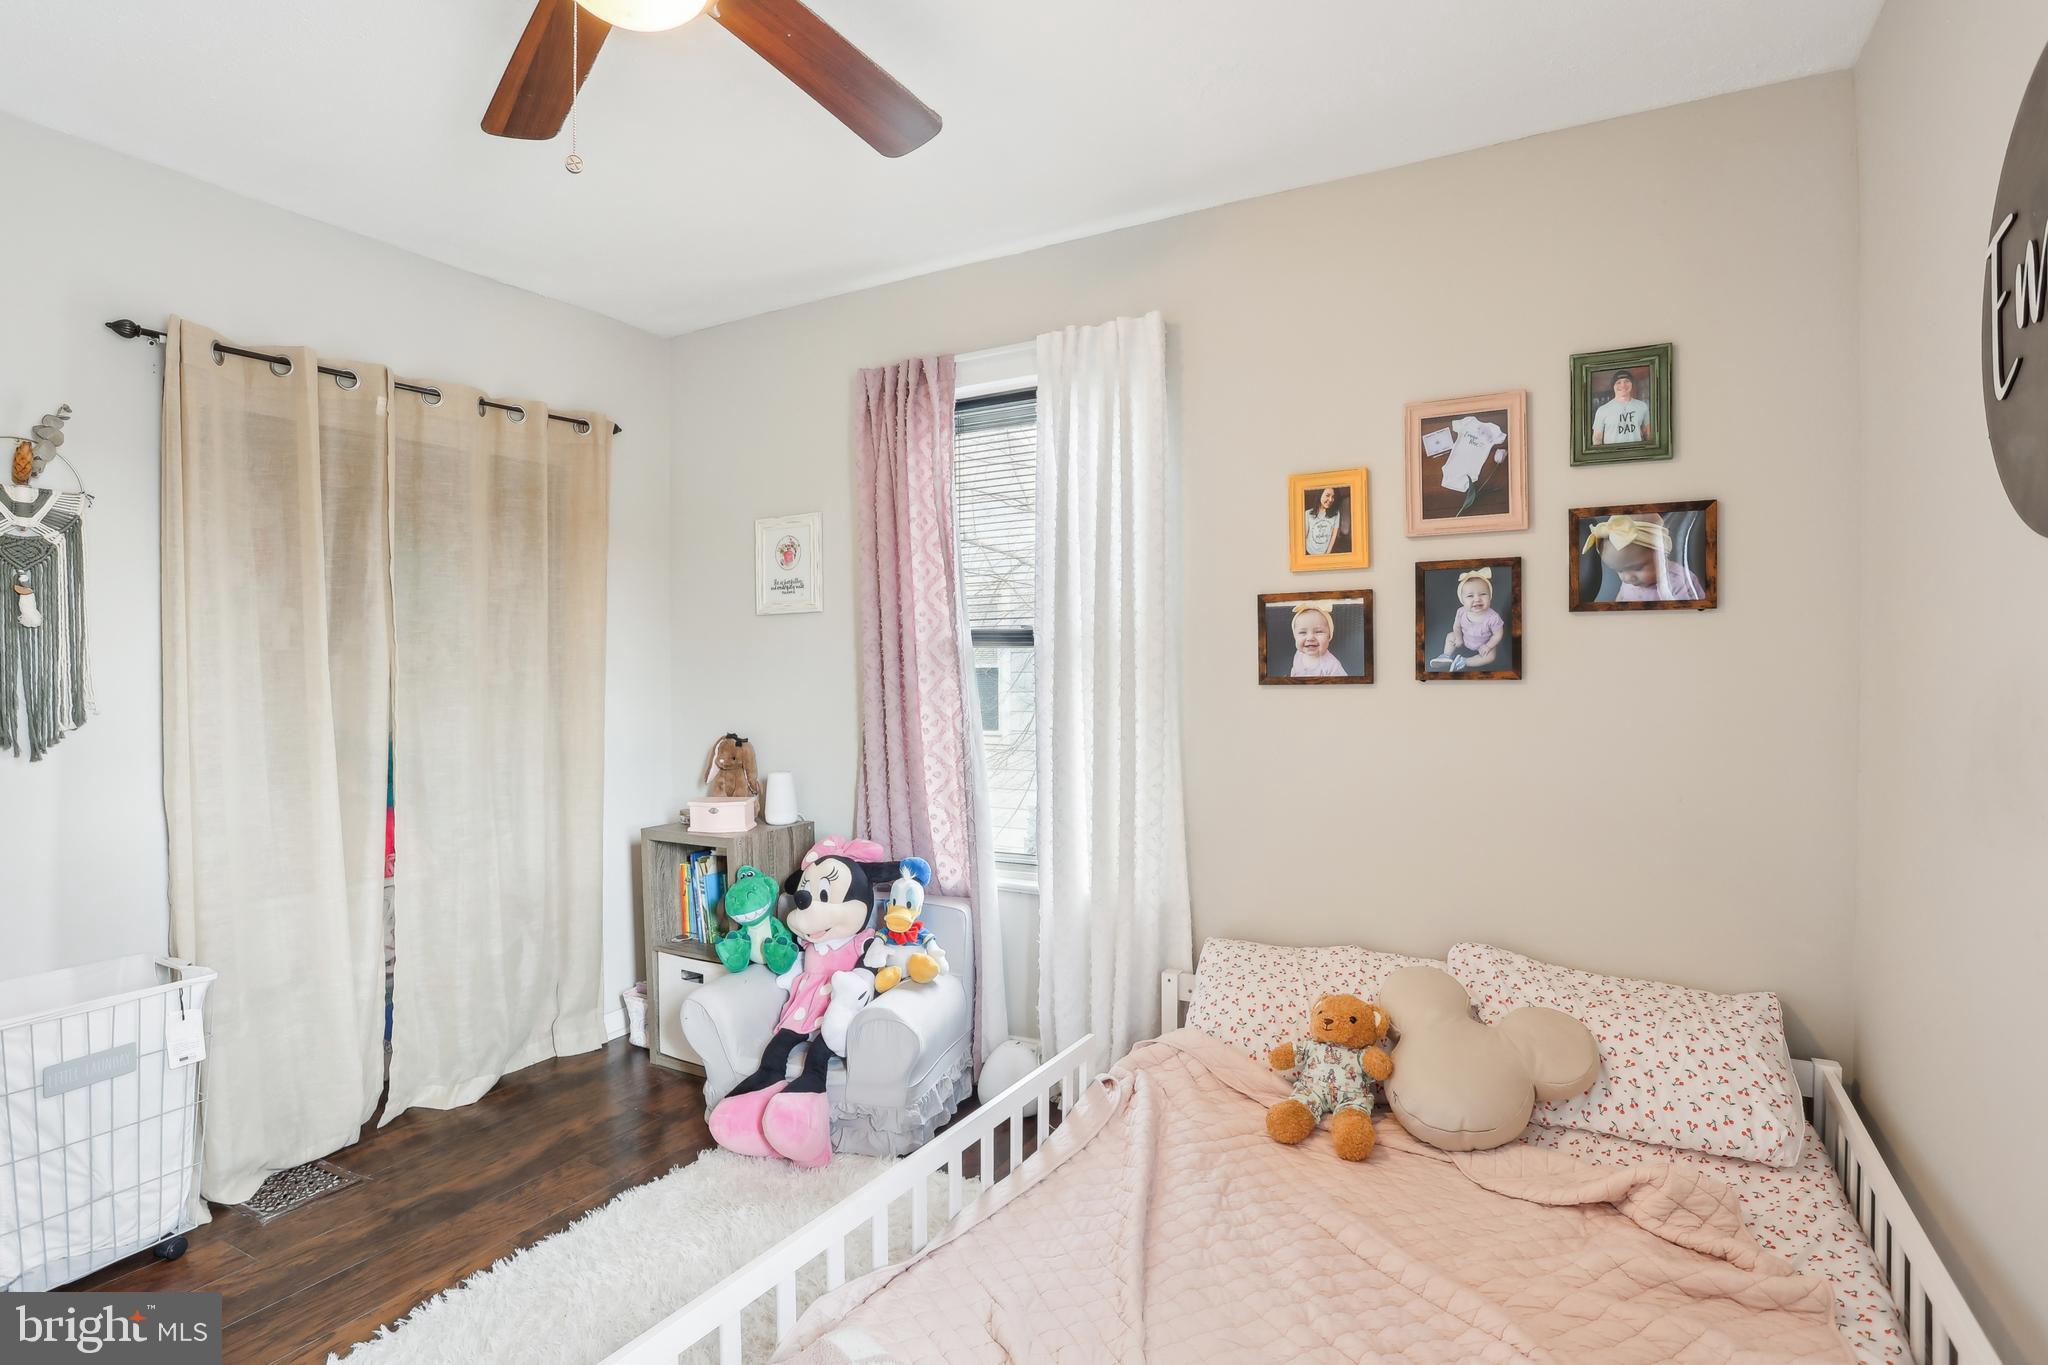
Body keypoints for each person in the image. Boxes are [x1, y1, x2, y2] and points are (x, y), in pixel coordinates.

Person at [1582, 513, 1703, 601]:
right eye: (1619, 570)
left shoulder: (1680, 581)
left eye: (1638, 568)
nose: (1627, 578)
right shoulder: (1630, 582)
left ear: (1661, 554)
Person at [1428, 568, 1505, 671]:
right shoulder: (1461, 611)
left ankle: (1464, 661)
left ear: (1490, 596)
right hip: (1465, 638)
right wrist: (1459, 638)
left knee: (1491, 657)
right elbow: (1457, 626)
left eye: (1483, 594)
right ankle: (1445, 656)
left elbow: (1498, 634)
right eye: (1470, 596)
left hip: (1483, 643)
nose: (1477, 599)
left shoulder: (1493, 617)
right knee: (1450, 636)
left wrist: (1487, 646)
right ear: (1462, 600)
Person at [1590, 369, 1652, 445]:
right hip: (1612, 455)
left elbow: (1648, 433)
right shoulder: (1602, 410)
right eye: (1618, 382)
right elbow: (1597, 438)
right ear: (1613, 386)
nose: (1623, 385)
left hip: (1637, 453)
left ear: (1631, 384)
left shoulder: (1642, 406)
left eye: (1627, 381)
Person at [1289, 602, 1348, 677]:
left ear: (1329, 636)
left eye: (1318, 631)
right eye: (1302, 632)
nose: (1310, 638)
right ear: (1295, 636)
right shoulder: (1298, 654)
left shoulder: (1332, 666)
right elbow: (1295, 671)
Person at [1303, 486, 1344, 556]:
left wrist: (1327, 554)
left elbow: (1333, 536)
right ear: (1320, 495)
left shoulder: (1336, 513)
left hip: (1325, 554)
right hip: (1308, 552)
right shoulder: (1307, 514)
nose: (1331, 499)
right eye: (1327, 495)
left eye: (1333, 496)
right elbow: (1304, 536)